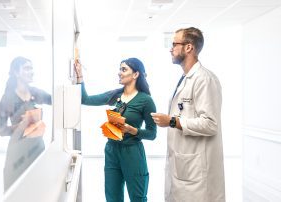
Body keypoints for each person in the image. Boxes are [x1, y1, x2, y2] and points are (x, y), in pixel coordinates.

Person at [151, 27, 225, 202]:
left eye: (174, 44)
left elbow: (210, 124)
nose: (171, 49)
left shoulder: (204, 79)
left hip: (197, 172)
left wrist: (172, 121)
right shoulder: (186, 78)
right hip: (184, 166)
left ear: (189, 47)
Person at [74, 57, 157, 202]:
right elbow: (85, 99)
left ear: (136, 74)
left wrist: (132, 130)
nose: (119, 73)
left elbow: (152, 133)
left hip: (132, 152)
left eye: (124, 69)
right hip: (112, 150)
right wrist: (80, 76)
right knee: (112, 198)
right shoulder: (115, 95)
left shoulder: (146, 100)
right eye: (120, 69)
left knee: (138, 198)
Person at [0, 56, 51, 191]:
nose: (31, 71)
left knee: (37, 191)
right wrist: (20, 126)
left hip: (37, 148)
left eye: (32, 68)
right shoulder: (8, 98)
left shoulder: (36, 92)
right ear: (16, 73)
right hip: (18, 152)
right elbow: (2, 130)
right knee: (17, 191)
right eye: (27, 68)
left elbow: (56, 100)